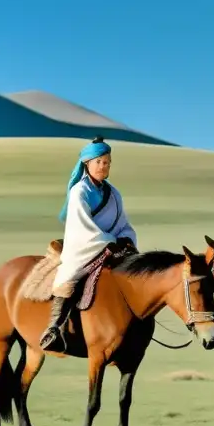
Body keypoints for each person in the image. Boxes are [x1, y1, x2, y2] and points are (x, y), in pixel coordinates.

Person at [40, 136, 137, 352]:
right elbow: (82, 225)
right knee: (69, 276)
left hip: (111, 246)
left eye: (107, 162)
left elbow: (122, 222)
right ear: (87, 164)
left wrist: (126, 239)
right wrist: (109, 241)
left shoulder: (114, 194)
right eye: (99, 162)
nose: (103, 166)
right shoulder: (79, 191)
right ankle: (53, 328)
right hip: (84, 246)